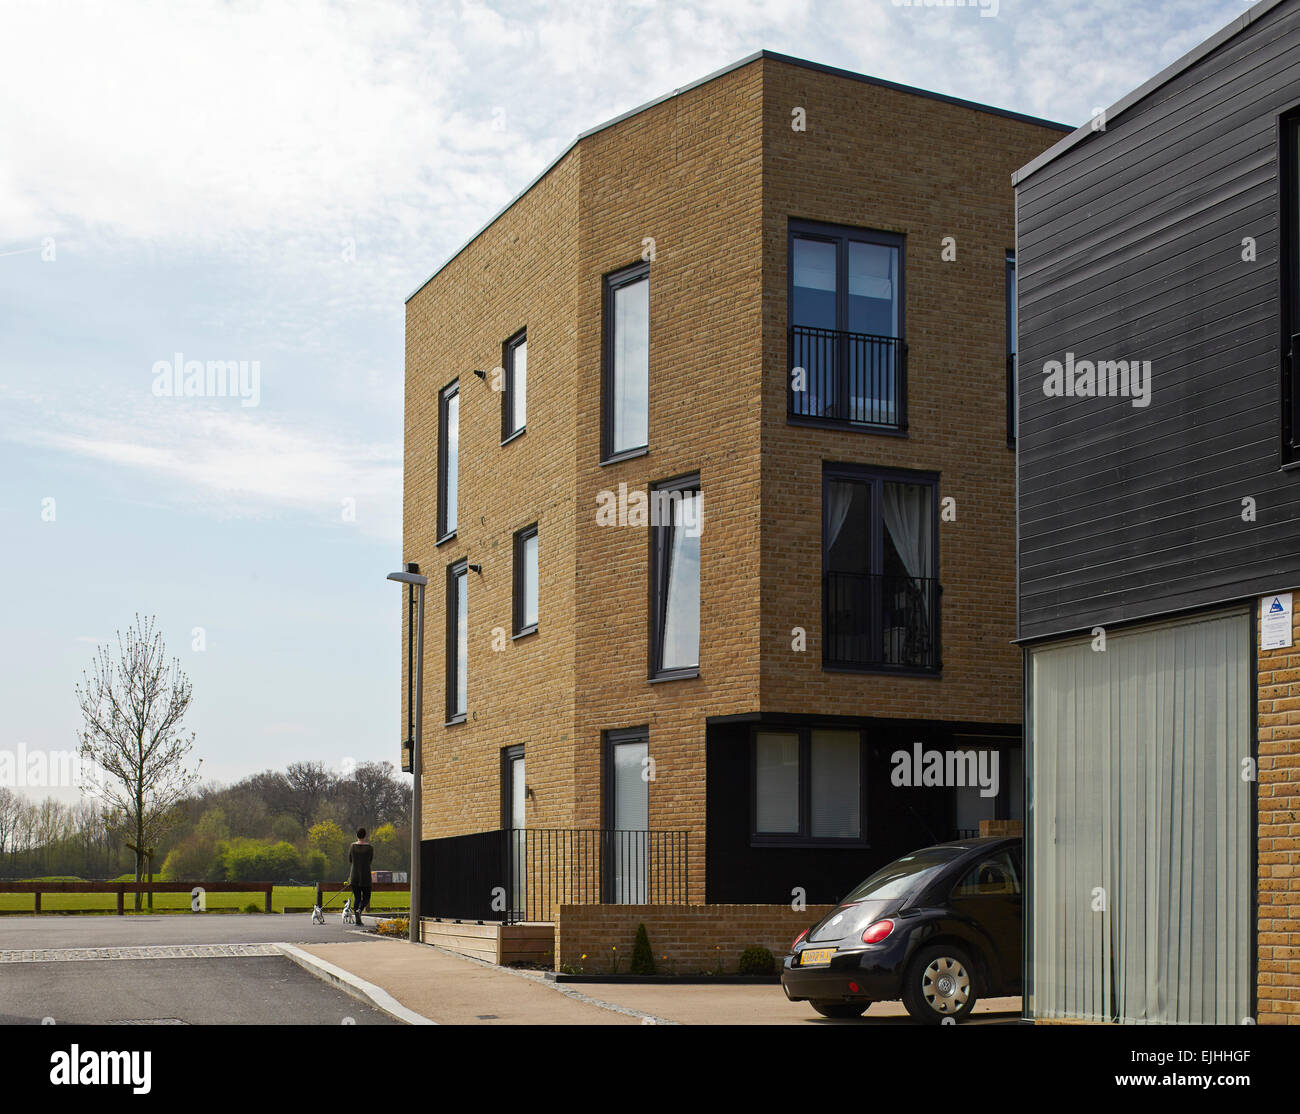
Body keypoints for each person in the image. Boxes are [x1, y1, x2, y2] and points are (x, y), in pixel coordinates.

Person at [346, 828, 374, 926]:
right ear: (365, 835)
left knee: (357, 898)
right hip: (366, 876)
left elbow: (350, 860)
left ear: (357, 835)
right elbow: (370, 860)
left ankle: (357, 918)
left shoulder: (352, 846)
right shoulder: (370, 848)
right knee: (366, 897)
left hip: (354, 876)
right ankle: (359, 910)